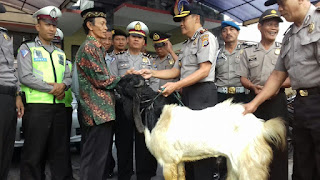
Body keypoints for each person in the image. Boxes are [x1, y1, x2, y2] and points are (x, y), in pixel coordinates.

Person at [139, 3, 219, 180]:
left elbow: (204, 70)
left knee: (201, 143)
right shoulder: (186, 45)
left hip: (202, 94)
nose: (181, 23)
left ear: (196, 18)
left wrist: (176, 85)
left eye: (183, 19)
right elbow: (176, 71)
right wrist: (151, 72)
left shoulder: (205, 38)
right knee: (187, 142)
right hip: (188, 94)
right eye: (179, 20)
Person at [244, 0, 320, 179]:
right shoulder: (289, 35)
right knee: (303, 165)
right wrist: (253, 105)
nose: (279, 9)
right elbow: (277, 75)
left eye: (282, 2)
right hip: (302, 106)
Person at [17, 6, 72, 179]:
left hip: (60, 109)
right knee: (34, 154)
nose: (51, 29)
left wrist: (63, 85)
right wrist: (53, 89)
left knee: (60, 153)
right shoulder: (27, 49)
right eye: (47, 24)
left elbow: (69, 77)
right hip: (36, 109)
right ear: (37, 26)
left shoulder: (60, 53)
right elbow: (25, 76)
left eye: (54, 25)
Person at [237, 9, 290, 180]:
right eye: (270, 24)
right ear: (259, 27)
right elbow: (242, 77)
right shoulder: (248, 52)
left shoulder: (284, 50)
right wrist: (252, 86)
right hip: (254, 102)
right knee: (255, 143)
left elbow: (293, 77)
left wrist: (274, 87)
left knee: (279, 144)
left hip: (277, 102)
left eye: (276, 25)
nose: (274, 28)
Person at [110, 21, 159, 180]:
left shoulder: (149, 60)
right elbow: (111, 80)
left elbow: (154, 82)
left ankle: (143, 175)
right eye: (133, 36)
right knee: (123, 143)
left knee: (143, 143)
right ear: (128, 39)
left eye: (140, 37)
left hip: (143, 108)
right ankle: (124, 174)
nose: (136, 39)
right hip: (123, 106)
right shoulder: (117, 58)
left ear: (144, 42)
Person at [76, 8, 121, 180]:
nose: (105, 27)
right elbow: (101, 80)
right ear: (90, 25)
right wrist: (124, 78)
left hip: (103, 112)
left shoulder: (98, 48)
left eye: (106, 24)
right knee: (94, 158)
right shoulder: (89, 48)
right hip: (97, 112)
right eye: (101, 24)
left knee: (100, 159)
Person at [0, 3, 24, 180]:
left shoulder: (4, 35)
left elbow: (10, 68)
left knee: (6, 147)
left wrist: (17, 95)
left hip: (8, 97)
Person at [216, 21, 247, 104]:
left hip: (241, 95)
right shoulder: (217, 53)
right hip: (221, 96)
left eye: (231, 29)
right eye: (224, 31)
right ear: (222, 34)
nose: (228, 33)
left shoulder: (246, 51)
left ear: (238, 32)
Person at [100, 29, 116, 178]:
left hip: (110, 108)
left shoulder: (112, 59)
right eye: (104, 38)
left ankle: (107, 169)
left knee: (107, 142)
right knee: (96, 145)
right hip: (95, 108)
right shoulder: (92, 55)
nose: (107, 42)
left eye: (109, 39)